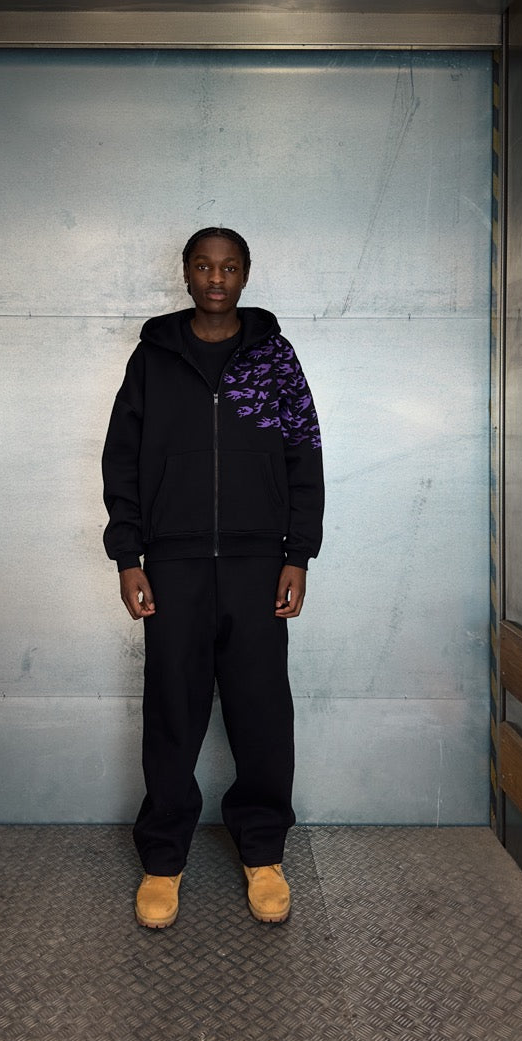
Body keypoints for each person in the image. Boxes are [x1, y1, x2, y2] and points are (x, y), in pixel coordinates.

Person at [101, 226, 324, 928]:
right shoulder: (153, 358)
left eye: (228, 267)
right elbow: (122, 459)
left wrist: (298, 554)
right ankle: (164, 859)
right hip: (174, 564)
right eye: (203, 266)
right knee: (172, 709)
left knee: (261, 712)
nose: (216, 278)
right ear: (187, 273)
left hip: (259, 565)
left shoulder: (274, 358)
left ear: (246, 273)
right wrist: (128, 557)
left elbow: (304, 455)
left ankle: (263, 852)